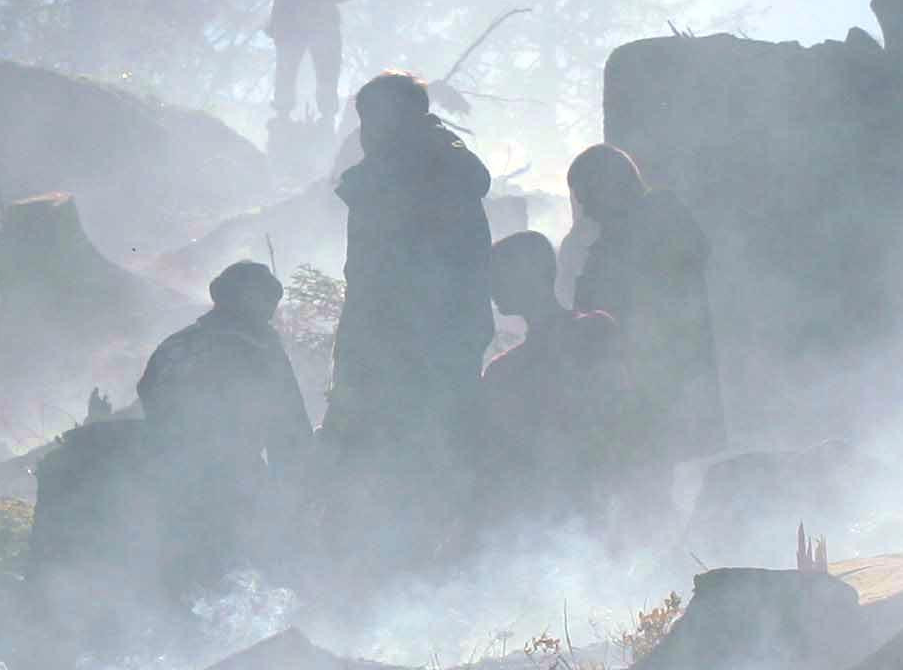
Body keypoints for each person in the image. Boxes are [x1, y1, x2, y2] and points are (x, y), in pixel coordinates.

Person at [325, 73, 496, 481]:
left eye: (372, 116)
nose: (366, 129)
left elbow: (384, 273)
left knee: (408, 459)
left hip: (409, 344)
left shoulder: (420, 167)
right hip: (416, 339)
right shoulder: (434, 159)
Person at [134, 259, 313, 601]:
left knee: (185, 588)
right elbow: (289, 431)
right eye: (266, 306)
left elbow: (149, 397)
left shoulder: (175, 347)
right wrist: (293, 495)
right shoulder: (259, 351)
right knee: (240, 583)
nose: (270, 316)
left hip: (167, 487)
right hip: (234, 489)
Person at [568, 143, 723, 486]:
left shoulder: (658, 224)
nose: (588, 211)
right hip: (632, 378)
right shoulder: (614, 238)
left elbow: (644, 301)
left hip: (654, 377)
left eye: (590, 197)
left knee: (652, 481)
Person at [479, 231, 615, 512]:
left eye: (499, 274)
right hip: (582, 500)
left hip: (580, 499)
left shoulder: (504, 371)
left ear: (530, 274)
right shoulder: (596, 329)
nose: (491, 286)